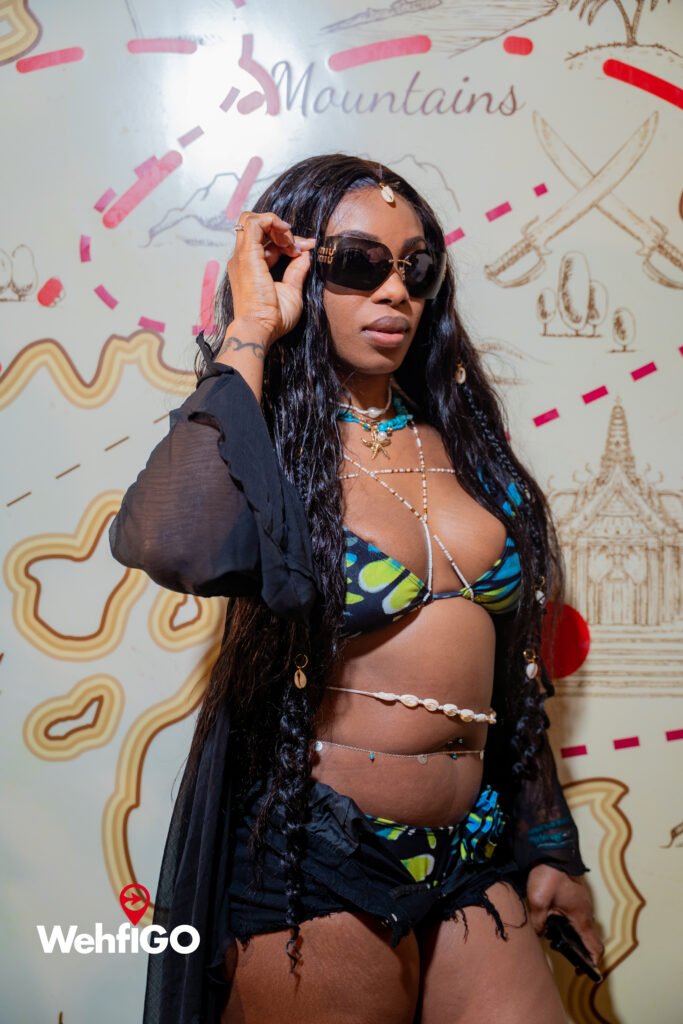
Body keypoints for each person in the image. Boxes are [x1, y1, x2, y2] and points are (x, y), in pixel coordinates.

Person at [109, 154, 603, 1024]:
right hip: (320, 858)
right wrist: (251, 328)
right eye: (358, 263)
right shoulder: (269, 445)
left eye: (415, 268)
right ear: (296, 267)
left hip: (472, 852)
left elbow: (515, 680)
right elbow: (169, 542)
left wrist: (548, 843)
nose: (394, 291)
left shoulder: (466, 442)